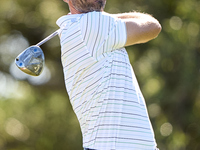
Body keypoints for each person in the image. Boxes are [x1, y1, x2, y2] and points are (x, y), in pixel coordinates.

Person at [56, 0, 161, 149]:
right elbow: (152, 26)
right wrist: (108, 16)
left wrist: (106, 17)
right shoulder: (91, 24)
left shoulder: (76, 28)